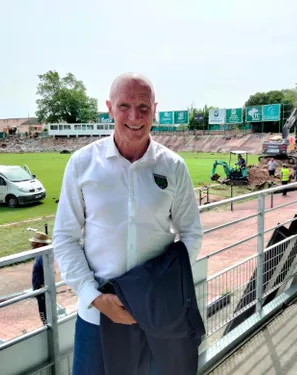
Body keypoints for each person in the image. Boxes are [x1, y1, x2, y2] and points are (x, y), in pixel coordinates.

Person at [52, 72, 203, 375]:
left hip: (158, 319)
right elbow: (65, 237)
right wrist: (93, 296)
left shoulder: (172, 167)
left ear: (154, 110)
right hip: (97, 317)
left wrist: (156, 293)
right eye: (124, 106)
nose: (134, 116)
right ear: (109, 108)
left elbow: (191, 233)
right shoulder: (82, 164)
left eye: (143, 107)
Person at [30, 231, 52, 325]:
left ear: (41, 244)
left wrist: (44, 285)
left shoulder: (42, 256)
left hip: (42, 292)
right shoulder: (41, 255)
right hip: (41, 291)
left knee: (45, 316)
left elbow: (50, 272)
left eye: (34, 243)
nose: (32, 245)